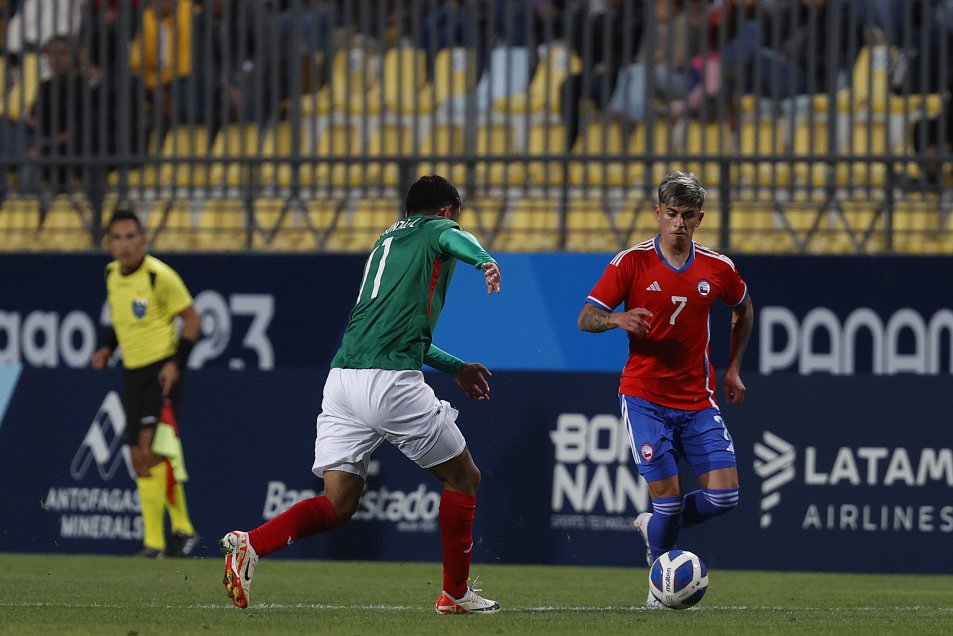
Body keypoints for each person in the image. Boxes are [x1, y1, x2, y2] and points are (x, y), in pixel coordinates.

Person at [220, 175, 504, 614]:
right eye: (456, 217)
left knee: (339, 500)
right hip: (388, 383)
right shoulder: (437, 229)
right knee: (464, 477)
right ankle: (455, 594)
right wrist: (483, 260)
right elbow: (455, 240)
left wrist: (455, 367)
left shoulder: (384, 243)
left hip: (342, 381)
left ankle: (250, 544)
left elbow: (396, 330)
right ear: (448, 210)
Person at [577, 171, 753, 609]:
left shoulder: (718, 268)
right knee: (669, 503)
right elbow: (586, 317)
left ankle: (651, 523)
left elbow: (743, 309)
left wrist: (732, 369)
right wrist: (616, 318)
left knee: (725, 496)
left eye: (687, 215)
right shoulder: (630, 263)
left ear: (699, 219)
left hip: (697, 399)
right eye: (671, 213)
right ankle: (659, 586)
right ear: (658, 214)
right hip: (644, 398)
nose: (678, 222)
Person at [90, 206, 201, 558]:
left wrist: (176, 364)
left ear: (144, 239)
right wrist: (107, 348)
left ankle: (178, 532)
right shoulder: (111, 275)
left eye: (131, 237)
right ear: (109, 244)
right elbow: (121, 321)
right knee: (138, 455)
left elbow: (193, 320)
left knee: (151, 448)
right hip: (132, 372)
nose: (125, 245)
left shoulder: (159, 276)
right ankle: (160, 539)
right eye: (118, 238)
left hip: (160, 373)